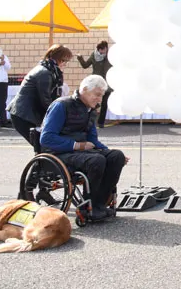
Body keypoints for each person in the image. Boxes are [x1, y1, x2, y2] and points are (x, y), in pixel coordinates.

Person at [39, 75, 128, 222]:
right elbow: (47, 138)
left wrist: (109, 152)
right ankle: (89, 206)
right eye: (97, 95)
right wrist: (77, 145)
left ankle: (99, 203)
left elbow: (93, 141)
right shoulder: (61, 105)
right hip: (58, 153)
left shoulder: (90, 111)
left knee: (116, 156)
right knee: (96, 160)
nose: (100, 100)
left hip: (81, 153)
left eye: (102, 96)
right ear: (85, 90)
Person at [8, 45, 73, 147]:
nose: (65, 64)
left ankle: (41, 162)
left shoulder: (48, 69)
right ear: (56, 58)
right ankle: (40, 163)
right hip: (23, 115)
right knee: (43, 145)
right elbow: (45, 99)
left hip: (26, 112)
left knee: (43, 145)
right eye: (64, 60)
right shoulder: (45, 73)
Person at [77, 41, 112, 128]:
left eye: (103, 49)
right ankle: (89, 119)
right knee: (93, 102)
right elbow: (85, 65)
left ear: (106, 48)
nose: (101, 51)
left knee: (105, 103)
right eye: (99, 49)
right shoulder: (94, 55)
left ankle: (101, 123)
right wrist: (80, 58)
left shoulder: (110, 57)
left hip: (107, 83)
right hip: (96, 83)